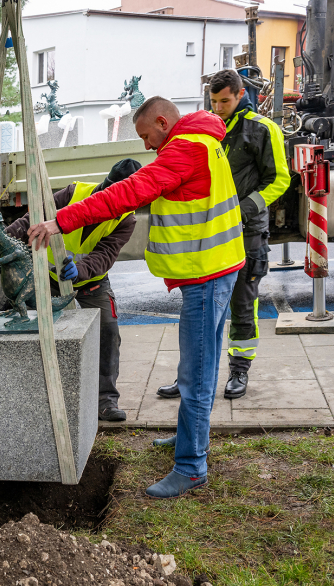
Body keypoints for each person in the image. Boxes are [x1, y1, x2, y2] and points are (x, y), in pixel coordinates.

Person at [28, 97, 244, 499]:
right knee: (199, 364)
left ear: (163, 122)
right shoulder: (205, 137)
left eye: (146, 135)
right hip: (217, 268)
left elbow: (129, 192)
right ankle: (187, 439)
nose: (145, 146)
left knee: (196, 374)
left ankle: (191, 466)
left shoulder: (185, 148)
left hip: (207, 274)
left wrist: (61, 221)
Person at [156, 70, 291, 401]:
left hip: (247, 233)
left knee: (243, 304)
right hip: (211, 233)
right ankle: (190, 376)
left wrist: (243, 209)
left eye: (225, 101)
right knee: (200, 309)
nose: (218, 108)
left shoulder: (262, 129)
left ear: (240, 93)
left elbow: (280, 179)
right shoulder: (206, 131)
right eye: (214, 101)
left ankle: (239, 371)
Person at [0, 158, 140, 423]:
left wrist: (81, 270)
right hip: (49, 280)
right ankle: (34, 396)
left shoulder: (126, 218)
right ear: (102, 187)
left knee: (108, 330)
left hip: (90, 283)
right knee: (28, 326)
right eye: (105, 195)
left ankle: (105, 400)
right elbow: (30, 221)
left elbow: (105, 255)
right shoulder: (75, 193)